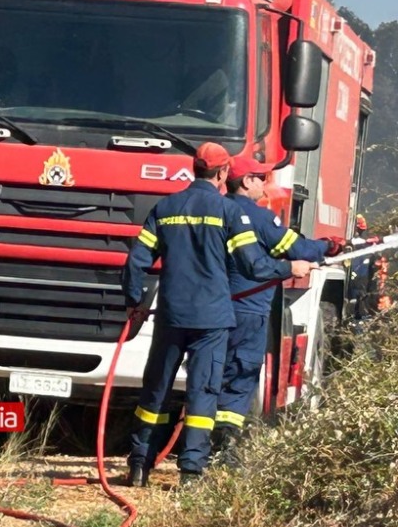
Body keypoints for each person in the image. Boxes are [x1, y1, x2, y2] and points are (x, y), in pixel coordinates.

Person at [122, 143, 314, 487]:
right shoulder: (229, 213)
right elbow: (252, 265)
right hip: (211, 320)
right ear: (223, 173)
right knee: (203, 392)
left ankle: (139, 466)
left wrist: (134, 302)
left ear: (194, 168)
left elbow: (137, 261)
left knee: (156, 390)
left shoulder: (165, 208)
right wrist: (290, 267)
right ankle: (191, 473)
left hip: (171, 316)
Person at [212, 156, 340, 465]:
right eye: (261, 178)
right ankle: (224, 449)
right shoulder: (257, 217)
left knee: (210, 374)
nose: (264, 184)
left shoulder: (216, 211)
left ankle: (194, 446)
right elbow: (295, 248)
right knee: (240, 376)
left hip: (211, 310)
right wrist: (328, 246)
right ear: (246, 182)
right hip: (248, 311)